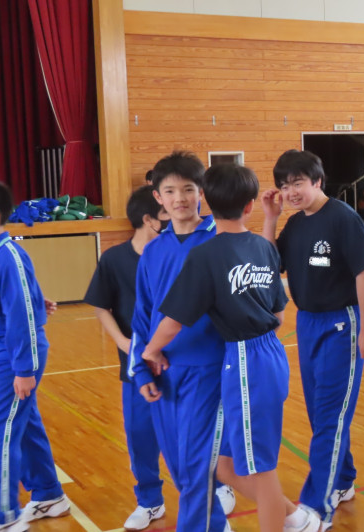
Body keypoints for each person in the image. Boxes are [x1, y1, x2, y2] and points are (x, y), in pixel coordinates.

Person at [142, 163, 320, 532]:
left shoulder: (206, 254)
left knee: (261, 468)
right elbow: (279, 314)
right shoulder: (263, 246)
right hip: (270, 353)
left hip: (244, 359)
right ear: (250, 205)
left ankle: (289, 523)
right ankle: (297, 519)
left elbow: (174, 320)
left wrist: (150, 351)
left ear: (204, 200)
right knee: (224, 466)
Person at [260, 149, 364, 530]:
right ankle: (342, 480)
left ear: (317, 181)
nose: (290, 191)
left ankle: (316, 508)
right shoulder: (295, 224)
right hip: (307, 323)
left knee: (329, 415)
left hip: (342, 324)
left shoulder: (343, 218)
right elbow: (268, 265)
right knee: (321, 414)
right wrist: (270, 218)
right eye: (284, 185)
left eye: (297, 183)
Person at [129, 151, 232, 532]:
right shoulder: (153, 251)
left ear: (201, 191)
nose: (180, 198)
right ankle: (216, 525)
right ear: (158, 197)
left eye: (188, 189)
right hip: (162, 372)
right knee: (179, 467)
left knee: (195, 464)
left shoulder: (222, 240)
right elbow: (142, 317)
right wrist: (140, 370)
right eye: (170, 191)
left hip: (209, 371)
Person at [84, 185, 170, 530]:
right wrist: (122, 341)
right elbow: (100, 304)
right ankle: (150, 501)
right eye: (165, 212)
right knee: (140, 435)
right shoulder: (115, 259)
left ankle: (216, 488)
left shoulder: (176, 254)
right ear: (149, 219)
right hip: (136, 367)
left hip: (179, 362)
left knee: (194, 434)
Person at [0, 182, 70, 532]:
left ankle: (5, 516)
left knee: (3, 430)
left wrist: (24, 369)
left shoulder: (8, 254)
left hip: (13, 355)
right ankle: (49, 493)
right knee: (24, 425)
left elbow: (20, 315)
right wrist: (37, 303)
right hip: (8, 349)